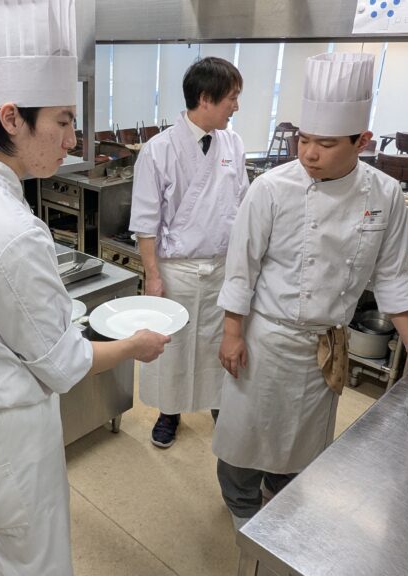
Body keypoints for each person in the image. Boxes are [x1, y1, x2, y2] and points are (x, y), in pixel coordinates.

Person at [0, 1, 169, 575]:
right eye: (63, 121)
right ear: (12, 117)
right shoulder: (14, 230)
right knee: (30, 561)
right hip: (6, 434)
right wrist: (134, 347)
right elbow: (64, 365)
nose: (72, 139)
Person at [214, 52, 408, 530]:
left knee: (302, 440)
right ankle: (241, 506)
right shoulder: (271, 188)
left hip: (325, 343)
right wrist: (232, 333)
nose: (308, 153)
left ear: (362, 141)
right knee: (246, 434)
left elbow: (391, 275)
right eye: (303, 139)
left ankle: (282, 500)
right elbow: (241, 268)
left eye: (325, 144)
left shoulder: (385, 195)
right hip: (267, 338)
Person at [129, 56, 249, 448]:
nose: (236, 106)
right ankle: (169, 412)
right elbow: (145, 221)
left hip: (221, 266)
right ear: (205, 98)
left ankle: (220, 405)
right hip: (177, 270)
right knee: (174, 347)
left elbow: (242, 205)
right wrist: (153, 276)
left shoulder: (233, 143)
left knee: (219, 342)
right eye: (232, 98)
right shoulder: (158, 150)